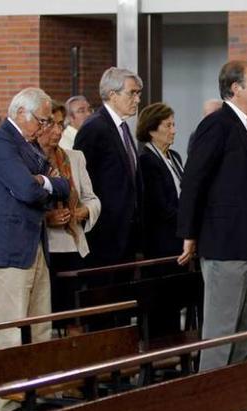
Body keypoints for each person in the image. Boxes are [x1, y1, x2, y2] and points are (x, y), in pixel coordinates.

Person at [176, 60, 247, 371]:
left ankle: (232, 394)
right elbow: (194, 179)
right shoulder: (218, 124)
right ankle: (209, 402)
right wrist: (189, 233)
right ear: (235, 88)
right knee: (222, 327)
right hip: (227, 242)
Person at [0, 87, 70, 411]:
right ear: (20, 113)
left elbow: (64, 185)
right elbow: (28, 190)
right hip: (8, 249)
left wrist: (44, 182)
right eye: (42, 120)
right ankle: (4, 402)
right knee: (10, 328)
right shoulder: (1, 144)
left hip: (34, 245)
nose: (46, 127)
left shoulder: (28, 146)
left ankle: (38, 391)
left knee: (41, 326)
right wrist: (45, 183)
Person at [74, 67, 144, 267]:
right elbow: (82, 181)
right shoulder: (94, 128)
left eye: (139, 93)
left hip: (126, 231)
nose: (138, 100)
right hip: (105, 233)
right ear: (112, 95)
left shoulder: (121, 127)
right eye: (132, 93)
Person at [40, 100, 100, 313]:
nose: (57, 131)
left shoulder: (74, 157)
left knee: (75, 315)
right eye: (52, 125)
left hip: (73, 245)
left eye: (61, 125)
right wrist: (48, 217)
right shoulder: (31, 160)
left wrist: (85, 211)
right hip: (45, 247)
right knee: (45, 315)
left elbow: (93, 199)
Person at [137, 102, 184, 259]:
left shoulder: (174, 156)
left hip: (180, 236)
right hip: (162, 241)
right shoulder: (146, 161)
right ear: (151, 130)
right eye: (168, 126)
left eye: (174, 125)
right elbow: (160, 207)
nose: (174, 131)